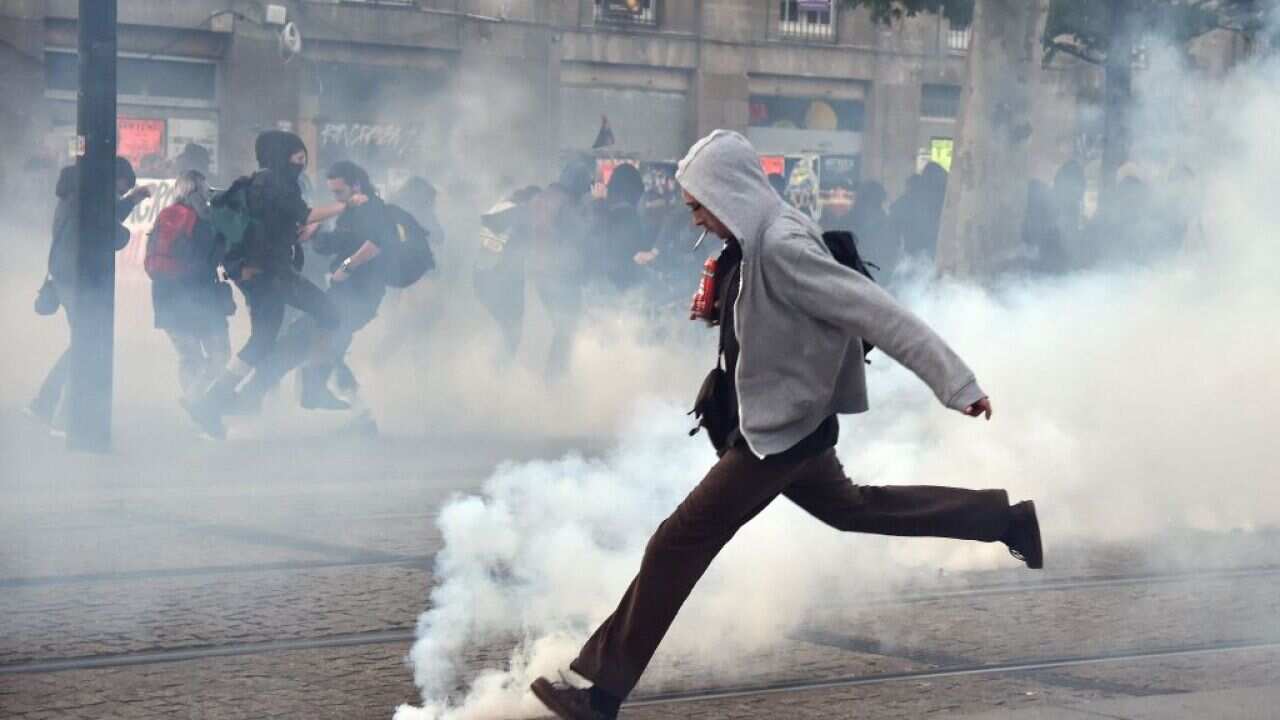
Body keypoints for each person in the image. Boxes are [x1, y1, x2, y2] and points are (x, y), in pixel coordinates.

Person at [529, 130, 1043, 720]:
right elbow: (775, 320)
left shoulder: (781, 246)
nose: (694, 216)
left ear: (728, 192)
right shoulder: (754, 241)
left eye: (699, 204)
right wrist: (720, 310)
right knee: (856, 509)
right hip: (794, 428)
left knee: (675, 543)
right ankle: (1006, 520)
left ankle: (600, 696)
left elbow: (877, 312)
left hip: (778, 439)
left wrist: (957, 383)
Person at [183, 130, 365, 439]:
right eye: (296, 156)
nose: (301, 161)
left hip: (256, 272)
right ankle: (312, 383)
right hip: (272, 273)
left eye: (303, 156)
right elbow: (305, 214)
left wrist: (298, 234)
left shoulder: (259, 183)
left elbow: (276, 226)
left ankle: (213, 401)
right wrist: (346, 206)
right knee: (330, 315)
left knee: (263, 337)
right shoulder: (275, 183)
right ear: (281, 155)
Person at [231, 160, 396, 416]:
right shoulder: (351, 211)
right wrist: (315, 232)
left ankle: (254, 397)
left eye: (340, 192)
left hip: (361, 295)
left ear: (357, 185)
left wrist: (348, 266)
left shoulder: (374, 209)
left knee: (304, 344)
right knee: (308, 346)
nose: (336, 197)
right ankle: (353, 414)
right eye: (333, 193)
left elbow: (377, 243)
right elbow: (333, 243)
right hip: (343, 293)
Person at [28, 157, 151, 435]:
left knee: (84, 341)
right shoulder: (87, 198)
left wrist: (130, 200)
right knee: (87, 344)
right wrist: (125, 234)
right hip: (76, 276)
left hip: (64, 274)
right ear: (113, 178)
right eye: (121, 188)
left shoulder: (77, 193)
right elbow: (107, 228)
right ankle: (65, 418)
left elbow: (101, 216)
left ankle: (45, 403)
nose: (120, 194)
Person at [145, 170, 233, 405]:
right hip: (198, 296)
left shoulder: (164, 215)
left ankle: (194, 403)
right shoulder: (203, 220)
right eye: (207, 189)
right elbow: (209, 259)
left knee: (190, 357)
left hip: (164, 295)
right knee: (220, 354)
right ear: (200, 192)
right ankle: (196, 401)